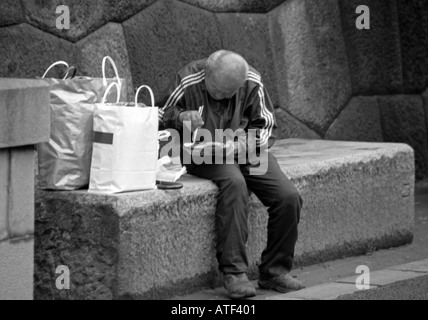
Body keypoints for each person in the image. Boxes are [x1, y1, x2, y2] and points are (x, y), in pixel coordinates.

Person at [160, 50, 304, 299]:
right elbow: (160, 116)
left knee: (287, 195)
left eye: (230, 93)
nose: (224, 97)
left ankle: (275, 271)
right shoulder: (188, 80)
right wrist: (181, 116)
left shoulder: (251, 81)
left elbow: (267, 129)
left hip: (246, 149)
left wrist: (236, 147)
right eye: (218, 91)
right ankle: (235, 273)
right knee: (234, 183)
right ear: (207, 75)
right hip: (201, 152)